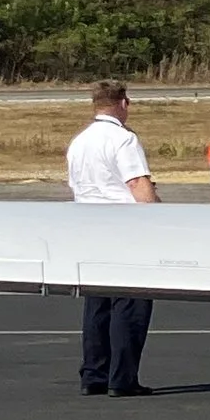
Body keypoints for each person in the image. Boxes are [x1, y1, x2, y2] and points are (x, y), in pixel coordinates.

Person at [65, 78, 157, 395]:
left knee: (98, 306)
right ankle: (122, 377)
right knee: (130, 305)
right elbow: (138, 185)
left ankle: (94, 373)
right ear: (123, 103)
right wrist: (160, 217)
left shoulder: (79, 141)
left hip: (90, 226)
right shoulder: (123, 139)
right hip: (123, 228)